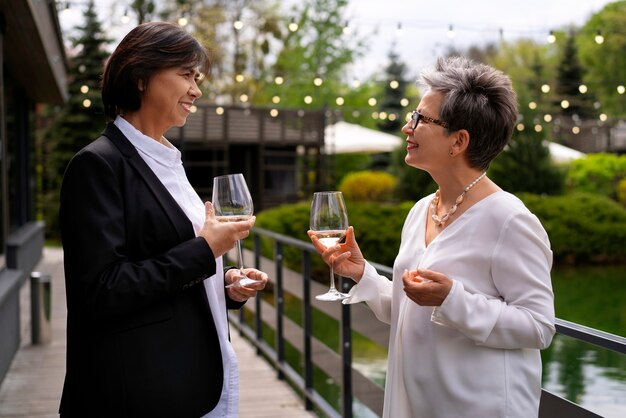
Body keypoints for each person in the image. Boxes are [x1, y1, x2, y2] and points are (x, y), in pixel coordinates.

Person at [308, 56, 555, 418]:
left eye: (421, 118)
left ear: (458, 141)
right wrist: (362, 274)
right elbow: (410, 309)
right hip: (414, 404)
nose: (408, 127)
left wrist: (453, 299)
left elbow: (538, 327)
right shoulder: (421, 209)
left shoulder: (510, 219)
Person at [59, 22, 267, 418]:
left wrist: (223, 285)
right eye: (186, 75)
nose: (197, 90)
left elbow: (164, 260)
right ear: (141, 77)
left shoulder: (168, 161)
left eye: (197, 77)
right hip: (139, 392)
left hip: (197, 378)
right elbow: (101, 292)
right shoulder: (97, 165)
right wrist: (205, 250)